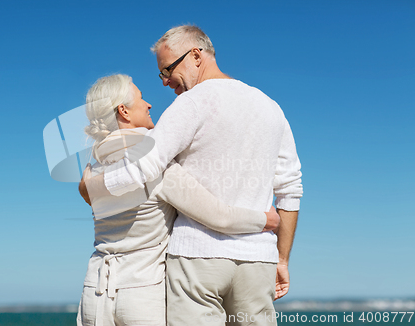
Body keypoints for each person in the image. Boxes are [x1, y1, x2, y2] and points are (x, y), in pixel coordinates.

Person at [80, 25, 303, 326]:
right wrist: (282, 258)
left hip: (196, 259)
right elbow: (290, 190)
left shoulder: (189, 104)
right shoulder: (271, 108)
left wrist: (92, 187)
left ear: (196, 56)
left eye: (167, 70)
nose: (165, 82)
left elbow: (148, 164)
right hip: (258, 258)